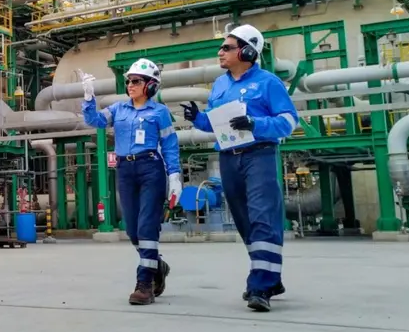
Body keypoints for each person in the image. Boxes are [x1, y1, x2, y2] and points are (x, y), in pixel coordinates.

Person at [180, 24, 299, 313]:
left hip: (259, 155)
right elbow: (216, 123)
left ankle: (260, 286)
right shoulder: (220, 85)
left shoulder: (268, 82)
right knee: (244, 220)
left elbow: (289, 121)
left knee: (262, 217)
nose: (220, 52)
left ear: (247, 52)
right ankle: (271, 276)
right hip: (228, 158)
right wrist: (198, 118)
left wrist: (256, 124)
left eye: (227, 47)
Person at [79, 59, 182, 306]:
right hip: (125, 169)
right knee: (133, 229)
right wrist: (89, 97)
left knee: (147, 226)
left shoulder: (160, 112)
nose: (130, 85)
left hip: (150, 169)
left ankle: (145, 283)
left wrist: (174, 175)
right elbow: (95, 121)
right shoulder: (118, 109)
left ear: (151, 85)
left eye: (136, 81)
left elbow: (169, 144)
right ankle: (157, 265)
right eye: (129, 81)